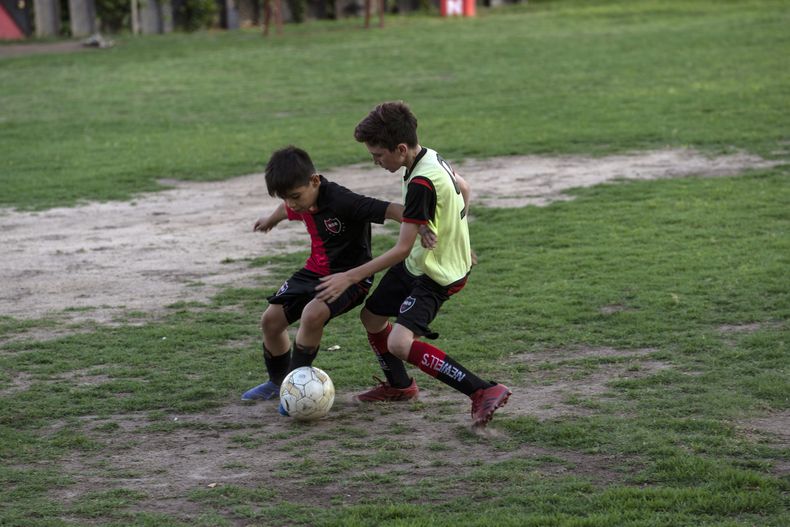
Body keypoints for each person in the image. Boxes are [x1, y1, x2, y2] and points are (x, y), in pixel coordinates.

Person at [316, 101, 511, 428]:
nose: (375, 161)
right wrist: (456, 236)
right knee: (372, 317)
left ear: (401, 149)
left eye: (378, 155)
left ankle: (482, 390)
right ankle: (399, 386)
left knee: (399, 343)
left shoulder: (421, 182)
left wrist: (349, 277)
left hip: (437, 273)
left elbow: (401, 249)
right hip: (422, 261)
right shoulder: (429, 157)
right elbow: (463, 188)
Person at [242, 145, 426, 407]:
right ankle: (277, 382)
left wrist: (423, 227)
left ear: (315, 181)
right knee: (271, 321)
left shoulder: (342, 201)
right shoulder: (301, 200)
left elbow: (393, 209)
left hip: (351, 277)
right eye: (286, 198)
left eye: (295, 196)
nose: (292, 203)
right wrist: (271, 219)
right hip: (313, 272)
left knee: (312, 314)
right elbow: (286, 209)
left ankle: (292, 390)